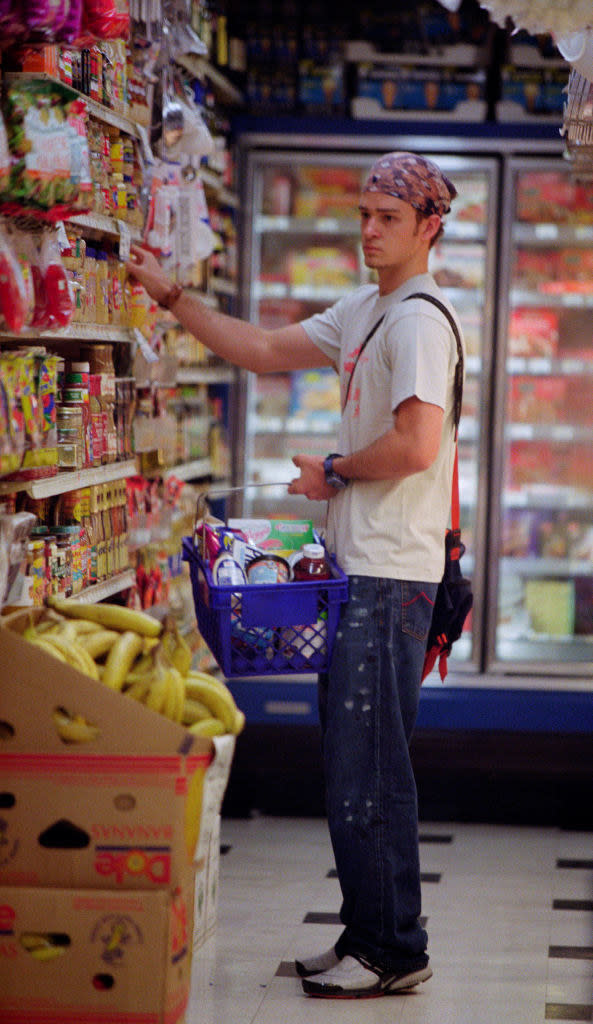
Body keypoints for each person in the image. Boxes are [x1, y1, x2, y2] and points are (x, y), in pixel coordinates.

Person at [126, 150, 464, 1000]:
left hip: (391, 575)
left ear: (428, 226)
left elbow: (418, 445)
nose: (368, 231)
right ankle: (366, 932)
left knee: (370, 768)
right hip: (364, 572)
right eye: (363, 214)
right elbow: (262, 348)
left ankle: (393, 948)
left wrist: (335, 468)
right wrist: (170, 296)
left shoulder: (419, 321)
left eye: (387, 218)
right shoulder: (365, 310)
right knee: (351, 763)